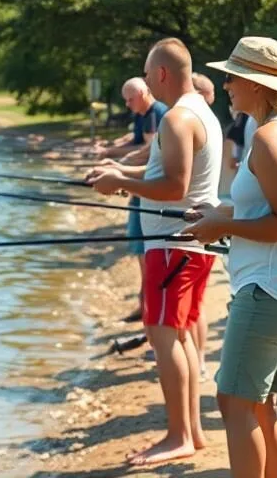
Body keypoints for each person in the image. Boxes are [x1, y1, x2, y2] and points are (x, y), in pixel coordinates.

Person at [183, 36, 277, 478]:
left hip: (272, 289)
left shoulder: (270, 137)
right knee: (260, 400)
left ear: (257, 84)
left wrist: (222, 227)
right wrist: (221, 212)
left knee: (234, 402)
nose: (225, 84)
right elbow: (270, 207)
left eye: (233, 77)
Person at [88, 39, 223, 466]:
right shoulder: (201, 111)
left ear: (162, 73)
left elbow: (174, 188)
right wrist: (119, 171)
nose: (146, 80)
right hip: (186, 246)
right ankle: (193, 432)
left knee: (165, 338)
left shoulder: (178, 118)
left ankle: (178, 435)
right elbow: (160, 171)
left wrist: (122, 185)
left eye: (147, 73)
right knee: (179, 336)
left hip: (172, 247)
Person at [94, 78, 168, 322]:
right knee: (140, 250)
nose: (127, 104)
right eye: (125, 100)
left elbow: (149, 154)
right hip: (137, 187)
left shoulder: (157, 113)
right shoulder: (145, 114)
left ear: (144, 92)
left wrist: (120, 169)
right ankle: (146, 305)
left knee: (145, 251)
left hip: (143, 191)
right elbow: (136, 143)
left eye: (130, 99)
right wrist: (113, 153)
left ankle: (147, 308)